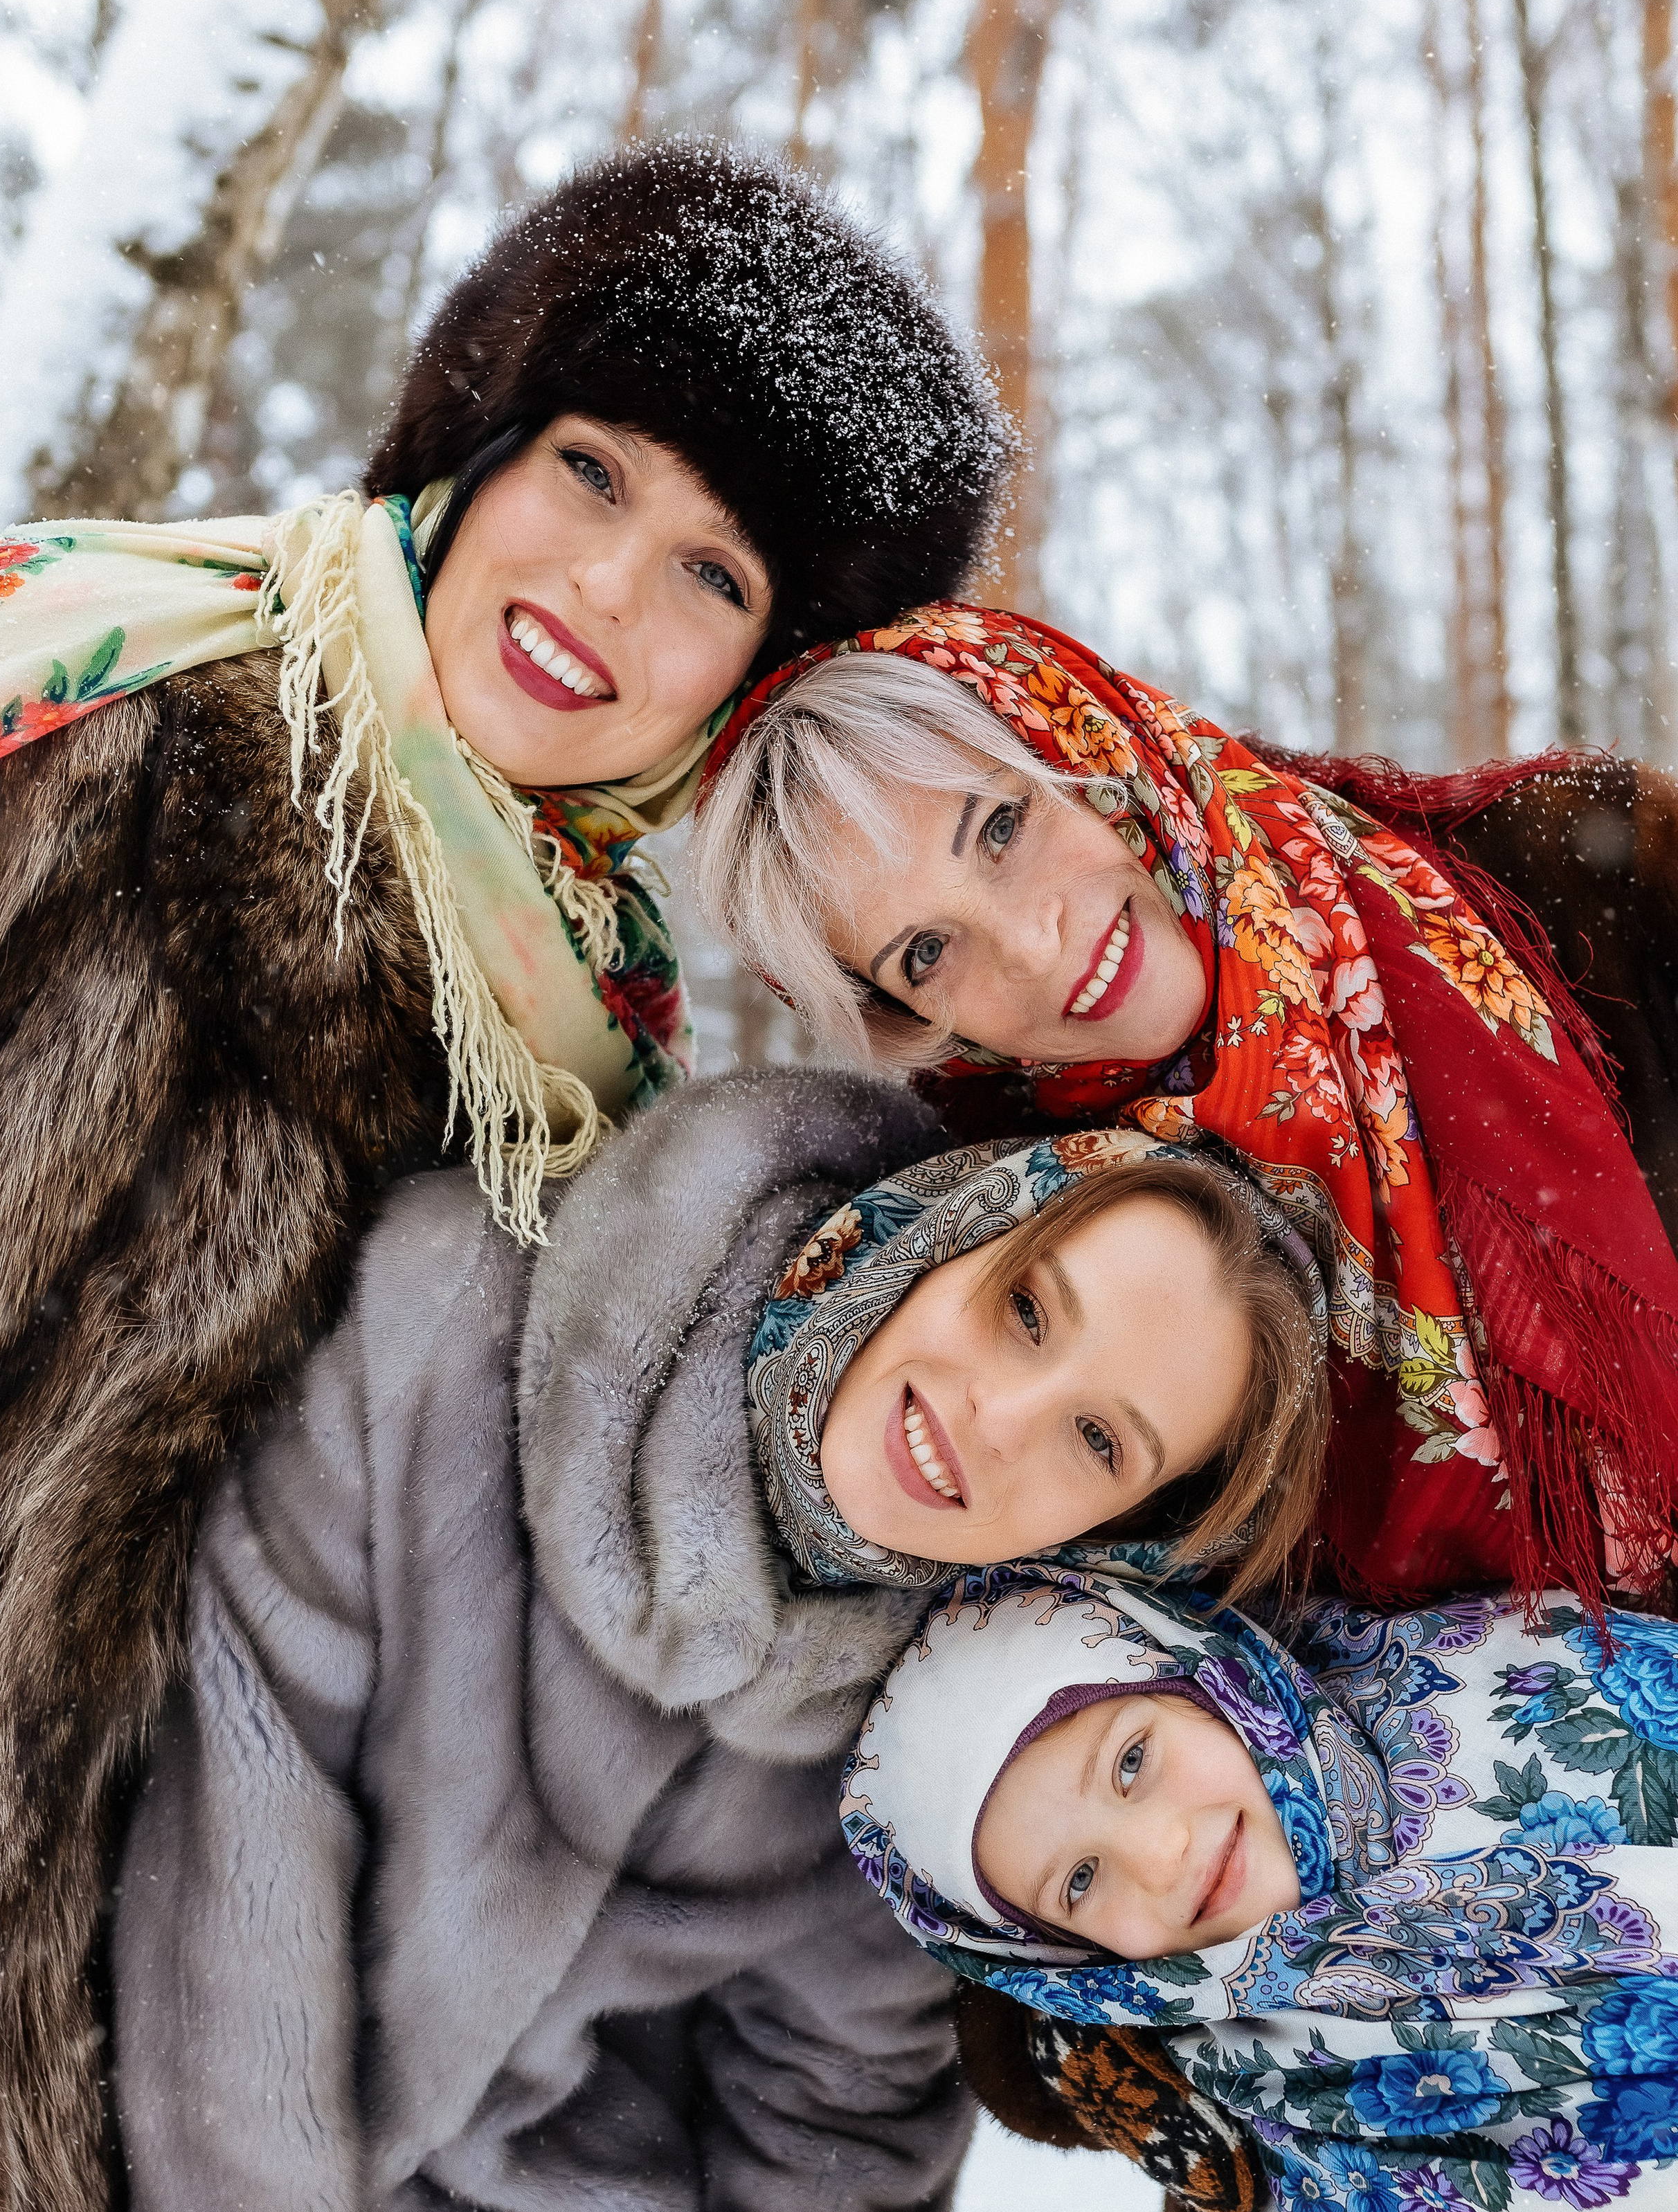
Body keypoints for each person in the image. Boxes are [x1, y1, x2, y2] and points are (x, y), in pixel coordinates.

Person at [0, 144, 1009, 2212]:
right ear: (467, 444)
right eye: (586, 469)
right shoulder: (106, 726)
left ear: (756, 682)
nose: (601, 586)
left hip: (161, 2142)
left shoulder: (568, 1045)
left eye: (709, 570)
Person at [105, 1096, 1330, 2212]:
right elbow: (230, 1913)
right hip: (181, 2181)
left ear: (1109, 1537)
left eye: (1097, 1445)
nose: (996, 1417)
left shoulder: (940, 1740)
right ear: (956, 1228)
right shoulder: (447, 1329)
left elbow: (835, 2136)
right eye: (1026, 1311)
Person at [688, 606, 1678, 1622]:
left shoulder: (1591, 876)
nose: (1032, 947)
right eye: (927, 954)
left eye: (1001, 827)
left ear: (1087, 743)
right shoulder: (1018, 1228)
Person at [843, 1563, 1678, 2212]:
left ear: (1203, 1678)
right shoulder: (1265, 2111)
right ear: (1061, 1965)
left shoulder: (1524, 1677)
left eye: (1133, 1761)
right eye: (1081, 1881)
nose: (1161, 1855)